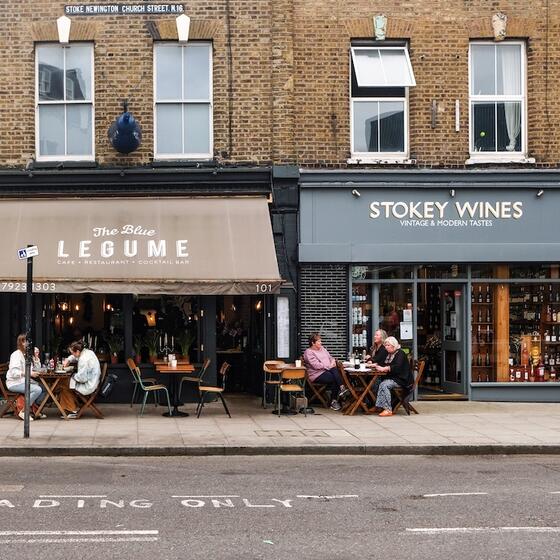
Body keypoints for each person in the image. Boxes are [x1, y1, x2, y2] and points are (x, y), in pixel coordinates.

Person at [303, 333, 349, 411]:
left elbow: (330, 357)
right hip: (316, 374)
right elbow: (316, 365)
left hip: (328, 371)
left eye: (320, 341)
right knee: (335, 377)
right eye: (319, 341)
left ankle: (337, 396)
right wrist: (328, 366)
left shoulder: (323, 349)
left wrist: (333, 361)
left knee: (335, 372)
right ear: (313, 343)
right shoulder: (309, 352)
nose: (321, 343)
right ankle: (337, 395)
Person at [6, 334, 46, 420]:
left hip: (24, 381)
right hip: (15, 383)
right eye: (26, 342)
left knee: (44, 389)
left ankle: (35, 410)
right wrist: (29, 374)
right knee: (37, 390)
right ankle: (24, 411)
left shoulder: (27, 354)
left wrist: (36, 356)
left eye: (29, 342)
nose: (29, 344)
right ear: (21, 343)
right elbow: (14, 372)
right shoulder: (16, 355)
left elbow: (36, 368)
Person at [370, 336, 413, 417]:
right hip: (394, 377)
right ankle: (379, 406)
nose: (386, 347)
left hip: (401, 379)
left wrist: (385, 368)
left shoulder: (400, 353)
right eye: (385, 345)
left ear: (394, 345)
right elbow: (383, 363)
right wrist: (375, 365)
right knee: (376, 383)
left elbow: (397, 367)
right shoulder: (389, 353)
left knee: (384, 384)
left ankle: (388, 409)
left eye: (388, 345)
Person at [57, 340, 101, 419]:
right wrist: (68, 359)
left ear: (77, 351)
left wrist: (73, 376)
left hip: (89, 385)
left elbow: (82, 378)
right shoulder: (87, 352)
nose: (72, 354)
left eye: (72, 352)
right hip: (94, 381)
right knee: (65, 383)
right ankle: (70, 407)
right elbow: (75, 356)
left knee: (63, 384)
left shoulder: (83, 360)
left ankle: (71, 410)